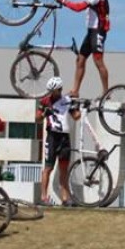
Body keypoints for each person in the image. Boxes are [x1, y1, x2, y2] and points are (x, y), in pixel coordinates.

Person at [55, 0, 110, 98]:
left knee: (98, 62)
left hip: (98, 32)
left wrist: (63, 1)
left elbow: (78, 8)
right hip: (90, 32)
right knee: (80, 60)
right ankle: (75, 91)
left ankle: (106, 92)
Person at [37, 76, 80, 207]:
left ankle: (65, 198)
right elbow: (37, 118)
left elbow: (76, 116)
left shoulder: (67, 100)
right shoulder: (45, 101)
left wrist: (76, 105)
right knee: (48, 168)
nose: (50, 93)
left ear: (59, 90)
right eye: (49, 91)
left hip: (64, 137)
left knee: (64, 169)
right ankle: (44, 197)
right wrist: (45, 113)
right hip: (52, 137)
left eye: (53, 91)